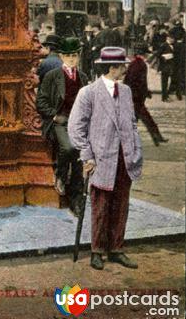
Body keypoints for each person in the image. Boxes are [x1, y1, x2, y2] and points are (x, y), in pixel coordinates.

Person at [68, 46, 142, 271]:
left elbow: (131, 124)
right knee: (101, 205)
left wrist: (136, 149)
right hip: (100, 158)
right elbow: (75, 127)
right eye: (123, 66)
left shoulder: (127, 91)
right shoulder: (89, 93)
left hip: (125, 158)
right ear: (113, 68)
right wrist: (86, 155)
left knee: (121, 204)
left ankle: (116, 249)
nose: (126, 69)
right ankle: (97, 251)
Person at [36, 37, 88, 215]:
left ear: (78, 57)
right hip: (59, 121)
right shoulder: (53, 76)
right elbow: (40, 101)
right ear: (61, 56)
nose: (72, 59)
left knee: (80, 156)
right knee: (68, 148)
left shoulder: (83, 77)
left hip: (78, 123)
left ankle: (76, 199)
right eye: (68, 55)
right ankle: (60, 173)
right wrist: (54, 115)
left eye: (74, 55)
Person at [123, 42, 167, 146]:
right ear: (144, 54)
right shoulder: (140, 64)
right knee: (144, 119)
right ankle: (156, 137)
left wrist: (146, 92)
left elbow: (131, 80)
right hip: (135, 98)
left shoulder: (134, 63)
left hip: (134, 97)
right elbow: (139, 82)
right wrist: (144, 92)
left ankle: (157, 137)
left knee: (144, 119)